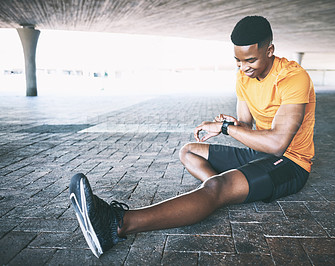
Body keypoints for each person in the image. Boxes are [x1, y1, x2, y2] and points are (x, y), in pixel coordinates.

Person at [69, 15, 316, 258]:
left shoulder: (293, 77)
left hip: (290, 162)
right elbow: (247, 124)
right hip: (259, 152)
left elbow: (276, 144)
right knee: (189, 150)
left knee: (217, 186)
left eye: (250, 60)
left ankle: (118, 225)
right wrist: (230, 123)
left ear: (270, 50)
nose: (243, 68)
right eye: (237, 61)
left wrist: (225, 129)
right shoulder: (244, 76)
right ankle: (219, 193)